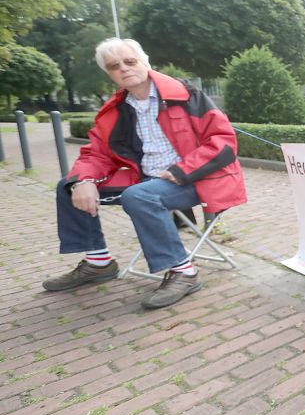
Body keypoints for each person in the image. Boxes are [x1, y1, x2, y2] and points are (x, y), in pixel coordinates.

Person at [43, 38, 246, 309]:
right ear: (109, 73)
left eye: (130, 61)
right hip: (146, 181)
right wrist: (84, 180)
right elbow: (96, 154)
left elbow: (223, 141)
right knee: (68, 185)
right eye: (114, 66)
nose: (124, 69)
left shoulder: (186, 95)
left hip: (196, 179)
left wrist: (181, 170)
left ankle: (184, 272)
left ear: (144, 62)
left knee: (139, 196)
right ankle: (99, 262)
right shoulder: (115, 110)